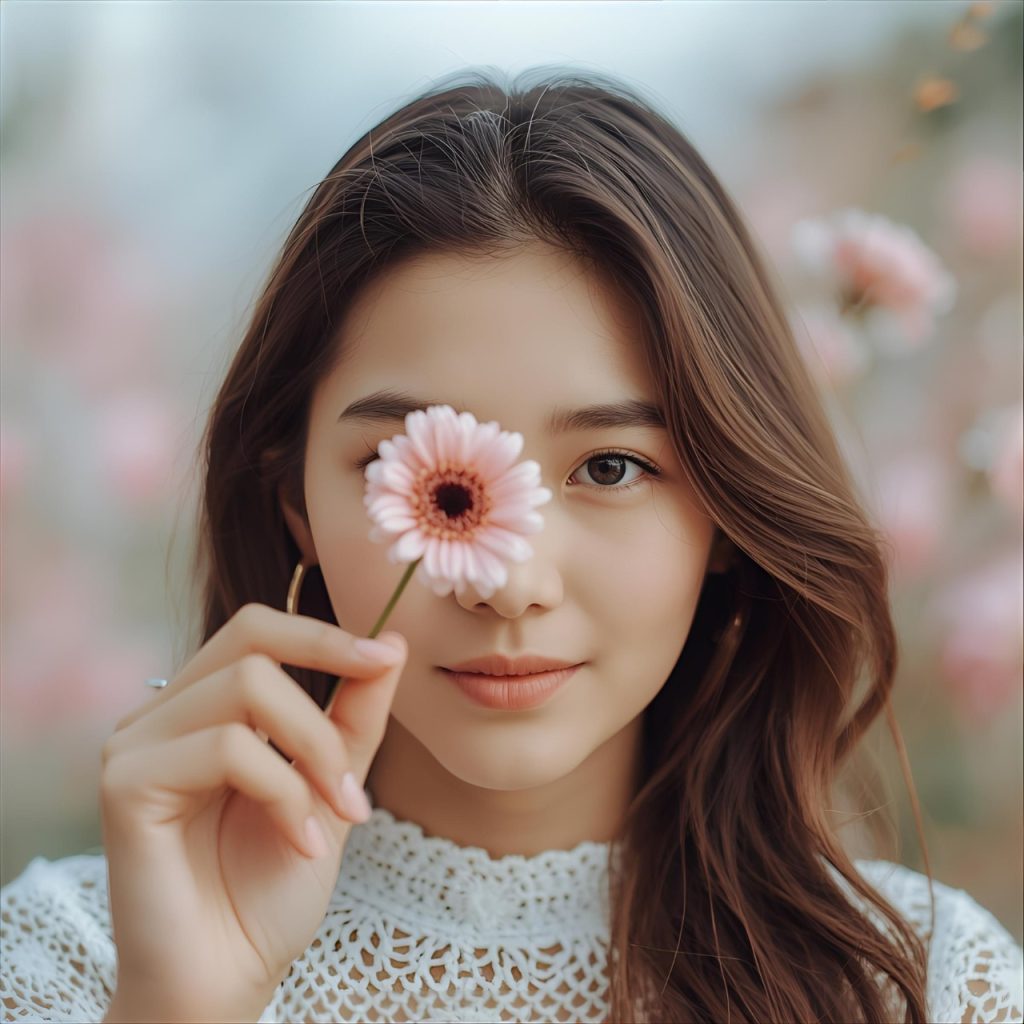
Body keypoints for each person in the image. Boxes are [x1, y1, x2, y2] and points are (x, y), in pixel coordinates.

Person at [1, 67, 1022, 1024]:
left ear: (726, 510)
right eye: (418, 472)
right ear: (291, 498)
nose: (509, 582)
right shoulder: (80, 956)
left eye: (611, 467)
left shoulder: (919, 983)